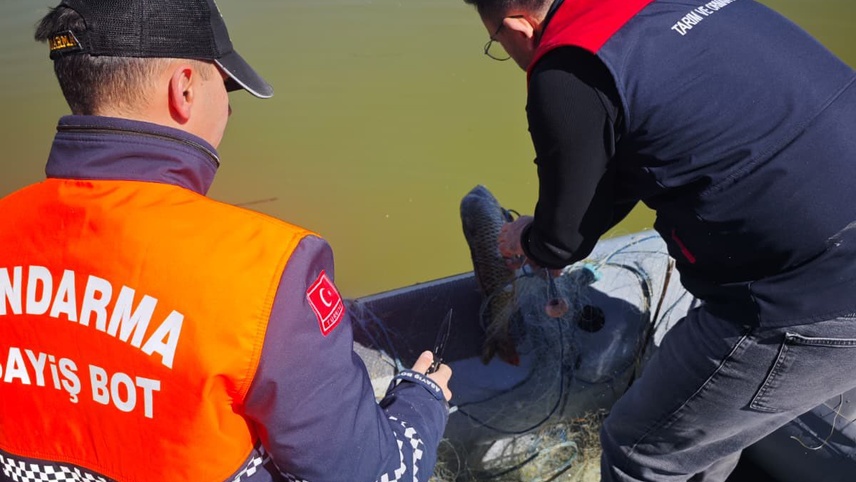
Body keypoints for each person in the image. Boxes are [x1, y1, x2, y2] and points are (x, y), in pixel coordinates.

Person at [0, 0, 452, 481]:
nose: (230, 107)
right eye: (226, 85)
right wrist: (422, 400)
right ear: (185, 90)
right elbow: (373, 473)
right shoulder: (271, 270)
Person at [461, 0, 856, 480]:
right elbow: (640, 152)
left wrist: (533, 240)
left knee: (639, 449)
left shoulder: (566, 68)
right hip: (825, 245)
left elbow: (563, 240)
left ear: (518, 26)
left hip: (809, 291)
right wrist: (556, 238)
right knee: (704, 433)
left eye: (497, 43)